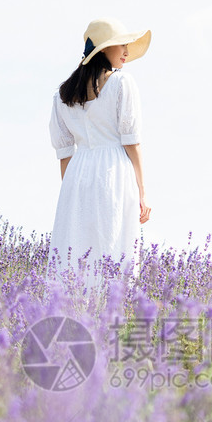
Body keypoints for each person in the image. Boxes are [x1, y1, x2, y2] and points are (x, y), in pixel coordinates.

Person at [47, 17, 152, 281]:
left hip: (76, 174)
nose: (127, 52)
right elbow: (132, 142)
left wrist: (73, 194)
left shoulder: (63, 95)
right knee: (114, 245)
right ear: (104, 49)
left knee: (77, 248)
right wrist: (142, 192)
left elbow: (64, 154)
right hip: (113, 170)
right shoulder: (121, 83)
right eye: (121, 45)